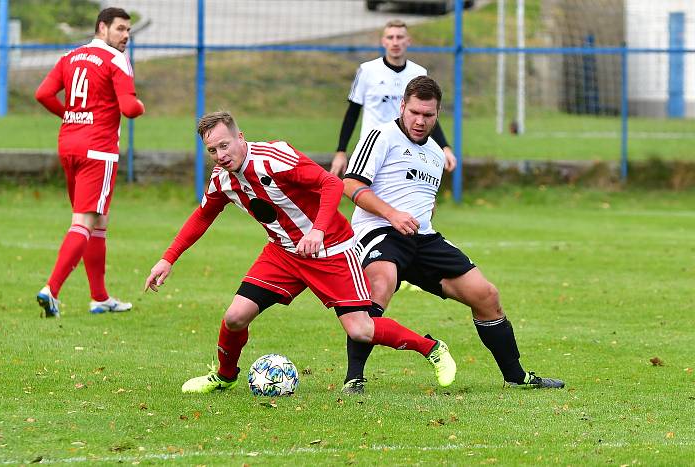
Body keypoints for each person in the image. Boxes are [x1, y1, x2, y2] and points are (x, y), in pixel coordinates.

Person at [144, 111, 457, 394]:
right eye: (212, 150)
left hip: (333, 249)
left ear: (240, 137)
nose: (220, 155)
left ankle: (431, 348)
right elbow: (201, 217)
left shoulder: (274, 157)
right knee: (236, 317)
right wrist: (167, 258)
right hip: (283, 253)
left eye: (224, 145)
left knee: (361, 329)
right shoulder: (222, 180)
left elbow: (331, 184)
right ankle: (225, 377)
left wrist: (317, 230)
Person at [341, 76, 565, 394]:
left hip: (423, 238)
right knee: (381, 283)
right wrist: (391, 213)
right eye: (414, 112)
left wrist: (422, 212)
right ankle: (355, 378)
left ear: (437, 114)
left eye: (428, 115)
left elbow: (422, 201)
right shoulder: (381, 135)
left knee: (486, 294)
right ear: (402, 106)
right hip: (381, 231)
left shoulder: (434, 154)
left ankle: (516, 376)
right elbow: (350, 184)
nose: (420, 121)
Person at [34, 7, 145, 317]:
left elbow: (43, 93)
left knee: (98, 220)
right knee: (83, 221)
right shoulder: (116, 60)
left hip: (69, 145)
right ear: (102, 28)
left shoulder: (71, 56)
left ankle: (100, 297)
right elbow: (129, 108)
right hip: (98, 150)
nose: (126, 36)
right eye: (120, 29)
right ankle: (51, 290)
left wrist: (72, 116)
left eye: (128, 30)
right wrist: (140, 105)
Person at [330, 19, 457, 177]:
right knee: (365, 195)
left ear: (408, 41)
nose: (395, 42)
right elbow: (352, 112)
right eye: (390, 37)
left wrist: (445, 147)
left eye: (400, 37)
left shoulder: (419, 73)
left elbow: (426, 113)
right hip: (373, 147)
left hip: (406, 149)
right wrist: (341, 151)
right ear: (383, 41)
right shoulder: (366, 70)